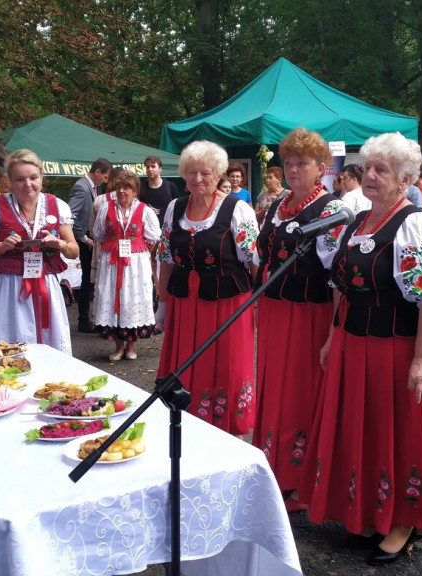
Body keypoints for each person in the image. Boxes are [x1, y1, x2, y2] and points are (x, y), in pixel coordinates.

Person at [297, 132, 422, 565]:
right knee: (366, 428)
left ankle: (405, 519)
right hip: (356, 343)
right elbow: (340, 286)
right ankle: (371, 508)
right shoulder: (356, 220)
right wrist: (333, 336)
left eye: (380, 169)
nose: (369, 174)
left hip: (399, 347)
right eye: (367, 167)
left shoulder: (414, 225)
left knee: (400, 430)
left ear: (405, 179)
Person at [251, 127, 344, 510]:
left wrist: (334, 331)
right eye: (287, 162)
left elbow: (337, 277)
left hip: (310, 313)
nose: (292, 169)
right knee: (273, 384)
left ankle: (298, 477)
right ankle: (271, 463)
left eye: (301, 163)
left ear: (321, 168)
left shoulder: (332, 209)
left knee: (300, 390)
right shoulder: (277, 204)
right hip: (274, 309)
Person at [156, 141, 259, 436]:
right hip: (185, 301)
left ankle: (227, 428)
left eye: (205, 173)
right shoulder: (174, 208)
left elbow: (253, 261)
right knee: (188, 361)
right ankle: (188, 422)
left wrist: (256, 306)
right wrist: (162, 304)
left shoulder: (237, 209)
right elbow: (165, 259)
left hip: (228, 302)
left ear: (218, 175)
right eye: (191, 172)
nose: (197, 179)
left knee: (227, 366)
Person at [0, 150, 80, 352]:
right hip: (8, 286)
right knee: (11, 339)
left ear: (42, 177)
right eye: (20, 179)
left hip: (46, 284)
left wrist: (60, 244)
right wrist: (0, 247)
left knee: (50, 340)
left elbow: (73, 251)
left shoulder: (57, 206)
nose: (28, 184)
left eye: (33, 178)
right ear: (10, 181)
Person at [92, 170, 161, 361]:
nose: (122, 191)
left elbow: (154, 236)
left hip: (135, 263)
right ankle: (119, 346)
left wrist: (140, 250)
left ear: (135, 191)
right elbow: (98, 234)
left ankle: (131, 346)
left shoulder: (144, 210)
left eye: (127, 188)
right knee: (114, 298)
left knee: (131, 298)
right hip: (112, 261)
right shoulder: (106, 208)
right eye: (119, 187)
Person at [69, 158, 112, 333]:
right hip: (85, 240)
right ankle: (83, 320)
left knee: (90, 278)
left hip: (90, 238)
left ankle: (87, 318)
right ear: (97, 172)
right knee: (88, 278)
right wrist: (83, 237)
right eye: (106, 176)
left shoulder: (92, 188)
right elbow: (70, 215)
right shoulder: (81, 187)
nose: (106, 180)